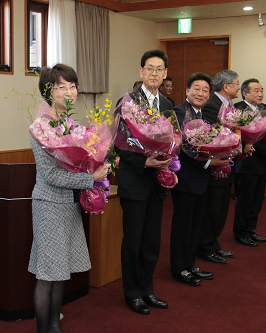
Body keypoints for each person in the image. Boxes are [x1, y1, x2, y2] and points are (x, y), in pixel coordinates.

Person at [29, 64, 110, 333]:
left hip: (69, 204)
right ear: (48, 91)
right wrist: (92, 179)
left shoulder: (73, 125)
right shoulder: (40, 127)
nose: (69, 92)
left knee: (60, 271)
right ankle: (44, 329)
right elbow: (50, 175)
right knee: (48, 274)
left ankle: (55, 327)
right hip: (49, 205)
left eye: (73, 86)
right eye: (61, 86)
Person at [116, 49, 172, 315]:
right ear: (141, 72)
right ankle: (132, 293)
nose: (154, 74)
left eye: (159, 69)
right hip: (135, 180)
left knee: (152, 241)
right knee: (134, 241)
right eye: (149, 68)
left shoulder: (169, 105)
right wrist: (143, 161)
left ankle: (148, 289)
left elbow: (175, 139)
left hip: (157, 183)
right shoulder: (127, 102)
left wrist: (168, 158)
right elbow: (120, 143)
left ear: (165, 74)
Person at [170, 73, 229, 286]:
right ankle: (179, 268)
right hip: (185, 178)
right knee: (182, 226)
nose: (200, 93)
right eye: (196, 88)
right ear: (187, 90)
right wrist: (207, 163)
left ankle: (190, 264)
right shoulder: (178, 112)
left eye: (205, 90)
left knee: (196, 226)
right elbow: (183, 148)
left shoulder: (204, 116)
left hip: (202, 179)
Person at [233, 79, 266, 246]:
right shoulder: (238, 109)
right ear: (245, 93)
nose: (260, 93)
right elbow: (247, 137)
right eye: (256, 90)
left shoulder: (264, 108)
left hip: (261, 163)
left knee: (257, 200)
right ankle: (240, 232)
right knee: (245, 200)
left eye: (262, 90)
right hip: (247, 162)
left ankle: (250, 229)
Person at [198, 69, 240, 264]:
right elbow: (207, 135)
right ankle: (206, 247)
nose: (239, 87)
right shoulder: (211, 105)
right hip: (214, 165)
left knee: (222, 207)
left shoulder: (228, 106)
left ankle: (214, 244)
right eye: (237, 83)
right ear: (226, 86)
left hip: (226, 162)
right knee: (213, 209)